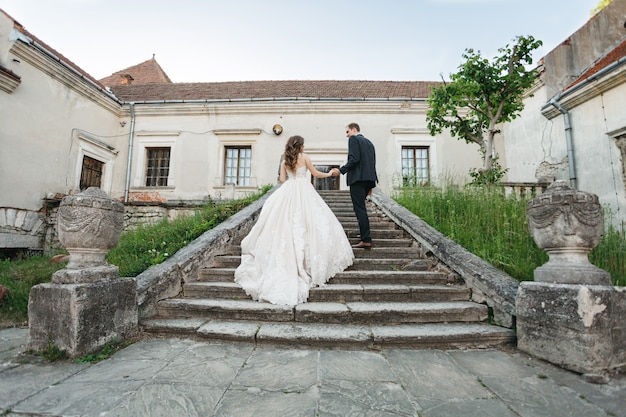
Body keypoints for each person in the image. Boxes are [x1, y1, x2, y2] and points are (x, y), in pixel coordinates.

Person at [234, 135, 355, 306]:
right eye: (304, 144)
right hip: (304, 189)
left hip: (289, 190)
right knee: (309, 222)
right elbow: (315, 174)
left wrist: (293, 179)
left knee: (286, 220)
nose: (305, 146)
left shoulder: (285, 160)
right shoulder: (304, 157)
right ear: (300, 145)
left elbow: (282, 180)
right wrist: (330, 172)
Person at [330, 123, 378, 248]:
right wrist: (371, 185)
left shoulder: (354, 139)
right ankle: (365, 236)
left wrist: (341, 171)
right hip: (368, 180)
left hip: (357, 179)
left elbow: (354, 159)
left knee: (359, 209)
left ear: (354, 129)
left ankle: (366, 239)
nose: (347, 136)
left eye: (347, 132)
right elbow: (371, 164)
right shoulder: (369, 143)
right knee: (362, 209)